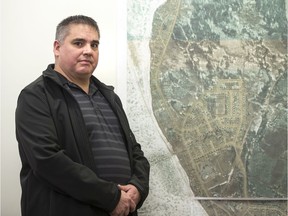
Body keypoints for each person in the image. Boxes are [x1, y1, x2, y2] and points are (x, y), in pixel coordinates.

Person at [15, 15, 150, 216]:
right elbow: (47, 161)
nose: (88, 50)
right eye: (79, 43)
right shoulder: (35, 96)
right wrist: (111, 197)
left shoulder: (110, 97)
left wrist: (137, 188)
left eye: (94, 45)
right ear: (57, 47)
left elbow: (135, 152)